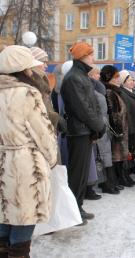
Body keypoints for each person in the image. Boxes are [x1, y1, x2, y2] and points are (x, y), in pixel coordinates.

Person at [0, 45, 57, 257]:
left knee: (5, 211)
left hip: (1, 159)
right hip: (25, 163)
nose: (32, 71)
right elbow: (42, 133)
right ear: (23, 69)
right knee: (25, 212)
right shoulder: (27, 93)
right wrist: (51, 160)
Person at [60, 42, 105, 223]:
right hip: (78, 132)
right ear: (83, 57)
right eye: (91, 55)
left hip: (84, 131)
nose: (93, 58)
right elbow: (83, 109)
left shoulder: (81, 75)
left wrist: (96, 126)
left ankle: (77, 207)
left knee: (81, 174)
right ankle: (72, 212)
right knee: (77, 174)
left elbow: (90, 105)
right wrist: (99, 126)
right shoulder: (73, 78)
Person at [89, 65, 120, 195]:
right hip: (99, 124)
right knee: (101, 154)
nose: (98, 76)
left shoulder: (98, 88)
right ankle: (104, 182)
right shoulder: (91, 89)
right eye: (96, 74)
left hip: (105, 123)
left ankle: (109, 182)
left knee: (106, 153)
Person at [119, 70, 135, 181]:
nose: (133, 82)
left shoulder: (133, 93)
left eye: (134, 80)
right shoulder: (123, 93)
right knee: (128, 149)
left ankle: (131, 167)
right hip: (130, 127)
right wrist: (131, 128)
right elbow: (126, 113)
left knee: (133, 148)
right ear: (123, 81)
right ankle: (126, 172)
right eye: (129, 80)